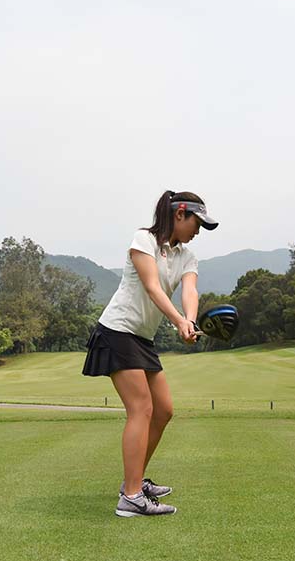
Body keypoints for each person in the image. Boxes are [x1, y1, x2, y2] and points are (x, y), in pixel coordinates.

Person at [83, 190, 219, 517]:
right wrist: (178, 322)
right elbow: (152, 287)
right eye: (196, 222)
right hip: (118, 330)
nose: (198, 230)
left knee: (164, 410)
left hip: (141, 338)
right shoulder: (143, 240)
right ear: (179, 214)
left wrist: (189, 320)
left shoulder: (187, 257)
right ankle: (130, 496)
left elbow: (190, 290)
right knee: (141, 408)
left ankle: (133, 482)